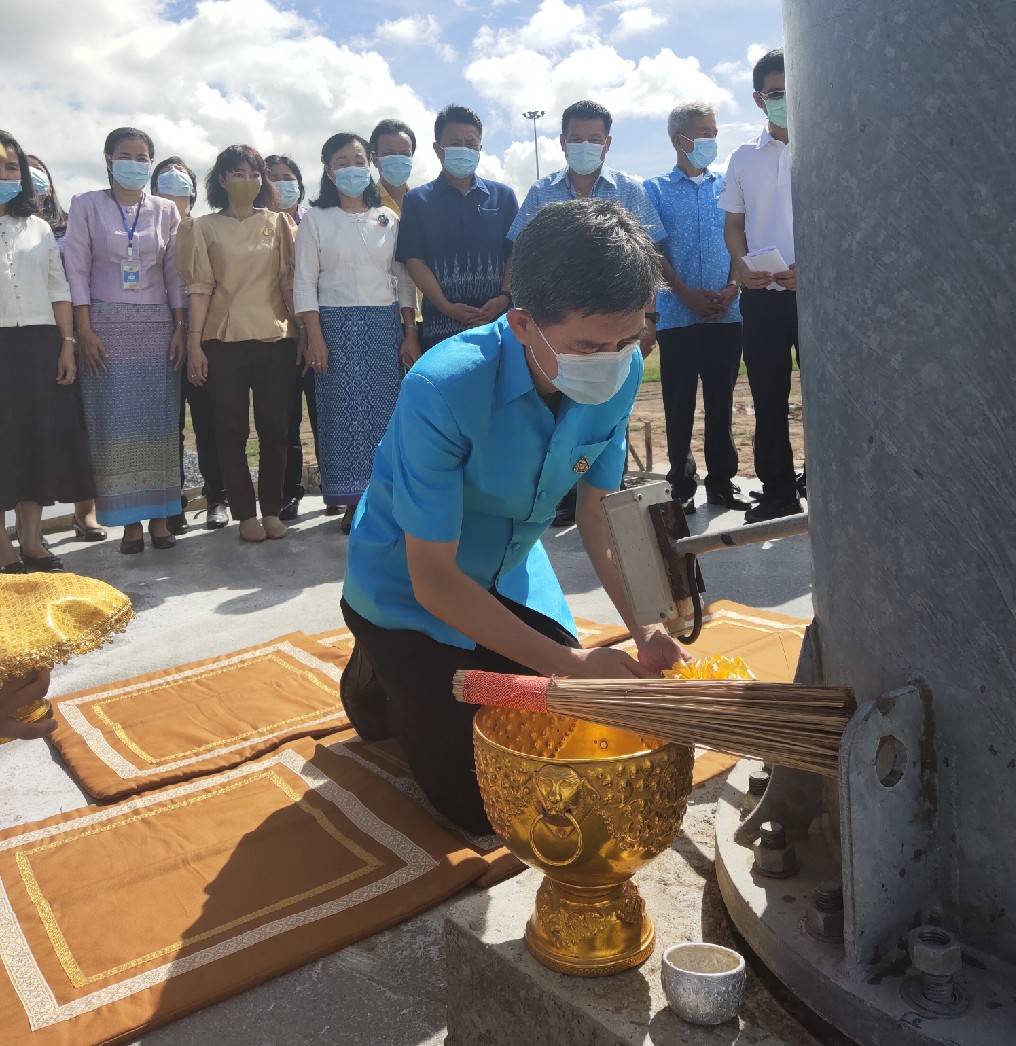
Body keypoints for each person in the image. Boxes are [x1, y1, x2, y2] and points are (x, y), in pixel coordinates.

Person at [340, 199, 689, 833]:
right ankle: (375, 663)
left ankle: (424, 671)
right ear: (524, 324)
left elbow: (600, 514)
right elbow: (435, 580)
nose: (611, 361)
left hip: (509, 573)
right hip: (407, 591)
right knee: (481, 804)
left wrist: (647, 623)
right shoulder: (442, 387)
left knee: (565, 739)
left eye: (627, 339)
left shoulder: (622, 368)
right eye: (588, 345)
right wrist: (574, 664)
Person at [507, 99, 668, 526]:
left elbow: (648, 256)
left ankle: (600, 491)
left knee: (606, 403)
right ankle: (556, 495)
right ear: (561, 142)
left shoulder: (630, 190)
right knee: (557, 405)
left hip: (611, 323)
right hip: (563, 327)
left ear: (608, 142)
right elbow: (521, 256)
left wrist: (647, 320)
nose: (584, 145)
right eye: (576, 139)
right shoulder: (542, 192)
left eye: (593, 139)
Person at [63, 126, 185, 554]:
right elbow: (75, 267)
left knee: (158, 425)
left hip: (157, 329)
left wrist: (181, 329)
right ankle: (130, 525)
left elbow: (174, 274)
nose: (134, 163)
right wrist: (84, 328)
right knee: (114, 427)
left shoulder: (166, 210)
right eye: (125, 155)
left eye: (142, 156)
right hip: (105, 328)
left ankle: (160, 518)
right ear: (108, 159)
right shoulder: (87, 205)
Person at [295, 132, 418, 534]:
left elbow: (402, 277)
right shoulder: (314, 220)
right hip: (335, 327)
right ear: (329, 171)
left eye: (359, 160)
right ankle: (351, 502)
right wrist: (315, 337)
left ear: (370, 166)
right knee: (341, 416)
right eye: (342, 161)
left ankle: (385, 499)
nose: (352, 168)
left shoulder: (388, 218)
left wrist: (409, 332)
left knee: (385, 417)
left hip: (383, 326)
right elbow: (305, 283)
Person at [177, 144, 299, 544]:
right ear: (222, 179)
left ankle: (272, 509)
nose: (248, 181)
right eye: (238, 173)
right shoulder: (204, 227)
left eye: (254, 174)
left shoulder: (279, 223)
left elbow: (289, 282)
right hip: (223, 340)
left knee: (276, 428)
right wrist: (195, 345)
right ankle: (245, 514)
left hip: (275, 338)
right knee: (229, 430)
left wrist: (302, 331)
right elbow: (199, 288)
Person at [645, 102, 748, 515]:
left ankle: (722, 482)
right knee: (679, 403)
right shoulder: (654, 190)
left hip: (728, 313)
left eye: (713, 131)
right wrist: (684, 292)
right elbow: (652, 248)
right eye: (702, 133)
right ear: (678, 140)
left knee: (721, 401)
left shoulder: (729, 186)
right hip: (677, 315)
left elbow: (744, 238)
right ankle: (681, 482)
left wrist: (733, 287)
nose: (710, 140)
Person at [0, 131, 95, 573]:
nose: (4, 175)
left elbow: (59, 289)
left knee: (36, 441)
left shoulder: (38, 228)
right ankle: (4, 548)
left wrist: (67, 345)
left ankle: (33, 541)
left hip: (40, 344)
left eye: (11, 167)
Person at [720, 47, 803, 523]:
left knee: (827, 398)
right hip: (762, 297)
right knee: (769, 397)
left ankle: (828, 481)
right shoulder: (743, 158)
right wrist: (740, 265)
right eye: (775, 93)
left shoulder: (831, 142)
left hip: (820, 297)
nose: (785, 99)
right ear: (758, 99)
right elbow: (735, 224)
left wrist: (813, 270)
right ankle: (777, 493)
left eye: (793, 90)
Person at [27, 153, 106, 543]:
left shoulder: (66, 225)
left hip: (77, 332)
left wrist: (78, 333)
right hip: (29, 337)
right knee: (32, 429)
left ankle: (84, 510)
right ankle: (30, 529)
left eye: (35, 171)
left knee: (80, 424)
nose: (31, 179)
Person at [395, 105, 517, 352]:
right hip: (441, 327)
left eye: (471, 144)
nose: (464, 149)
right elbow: (414, 260)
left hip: (498, 324)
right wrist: (445, 306)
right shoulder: (418, 200)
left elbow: (515, 253)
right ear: (437, 149)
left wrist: (504, 297)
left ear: (480, 149)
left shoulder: (503, 197)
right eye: (454, 142)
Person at [152, 156, 228, 534]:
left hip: (201, 340)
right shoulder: (145, 232)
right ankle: (171, 503)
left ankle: (217, 497)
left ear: (194, 195)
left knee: (208, 422)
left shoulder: (204, 229)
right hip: (157, 342)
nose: (174, 196)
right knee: (167, 427)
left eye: (182, 189)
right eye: (165, 188)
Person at [265, 154, 317, 523]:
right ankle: (289, 492)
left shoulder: (315, 222)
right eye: (273, 178)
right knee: (284, 421)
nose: (282, 184)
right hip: (277, 335)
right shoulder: (257, 227)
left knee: (323, 412)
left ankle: (336, 485)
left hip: (317, 333)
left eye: (288, 177)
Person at [369, 118, 416, 215]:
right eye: (389, 153)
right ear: (374, 159)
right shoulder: (366, 204)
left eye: (405, 154)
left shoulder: (424, 201)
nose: (398, 159)